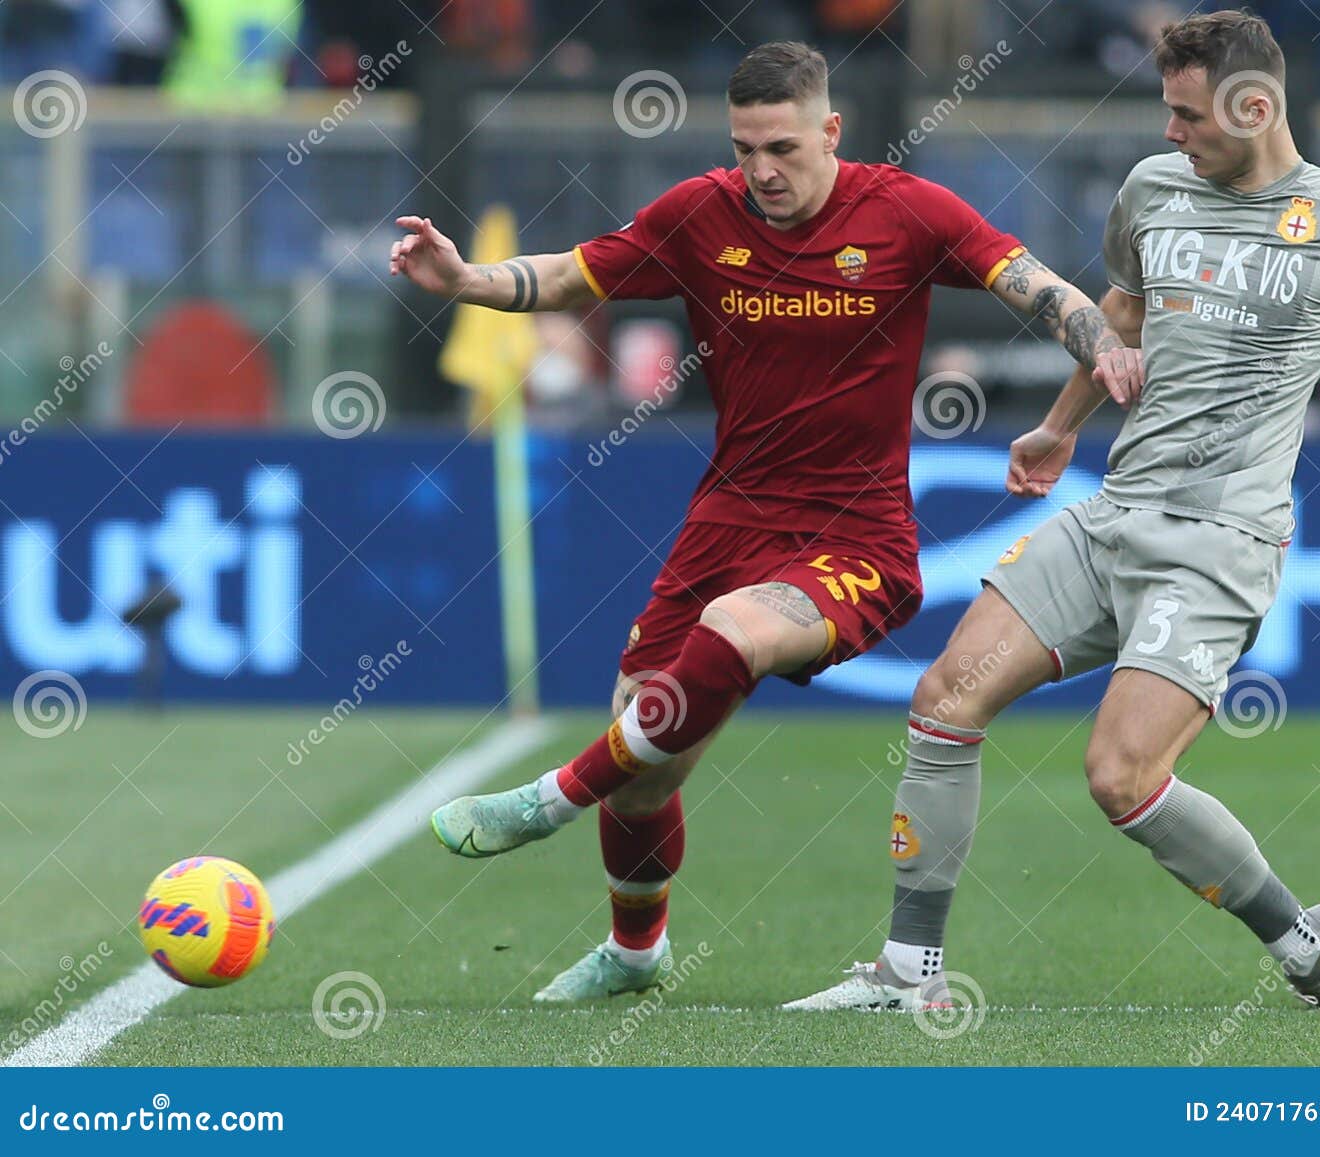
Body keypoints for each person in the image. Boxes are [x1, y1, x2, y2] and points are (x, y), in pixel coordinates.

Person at [390, 41, 1140, 1001]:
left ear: (832, 131)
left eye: (782, 147)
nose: (762, 170)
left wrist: (1103, 345)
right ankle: (635, 951)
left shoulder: (906, 212)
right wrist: (463, 280)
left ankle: (549, 797)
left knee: (730, 634)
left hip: (857, 537)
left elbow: (1036, 285)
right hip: (727, 518)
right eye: (745, 148)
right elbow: (576, 275)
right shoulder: (701, 214)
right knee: (644, 765)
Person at [785, 9, 1320, 1014]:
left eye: (1187, 114)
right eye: (1166, 110)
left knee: (1121, 774)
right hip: (1112, 514)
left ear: (1256, 106)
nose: (1170, 131)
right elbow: (1121, 321)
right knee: (942, 697)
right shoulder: (1150, 191)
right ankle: (906, 972)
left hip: (1220, 543)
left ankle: (1301, 942)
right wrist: (1058, 429)